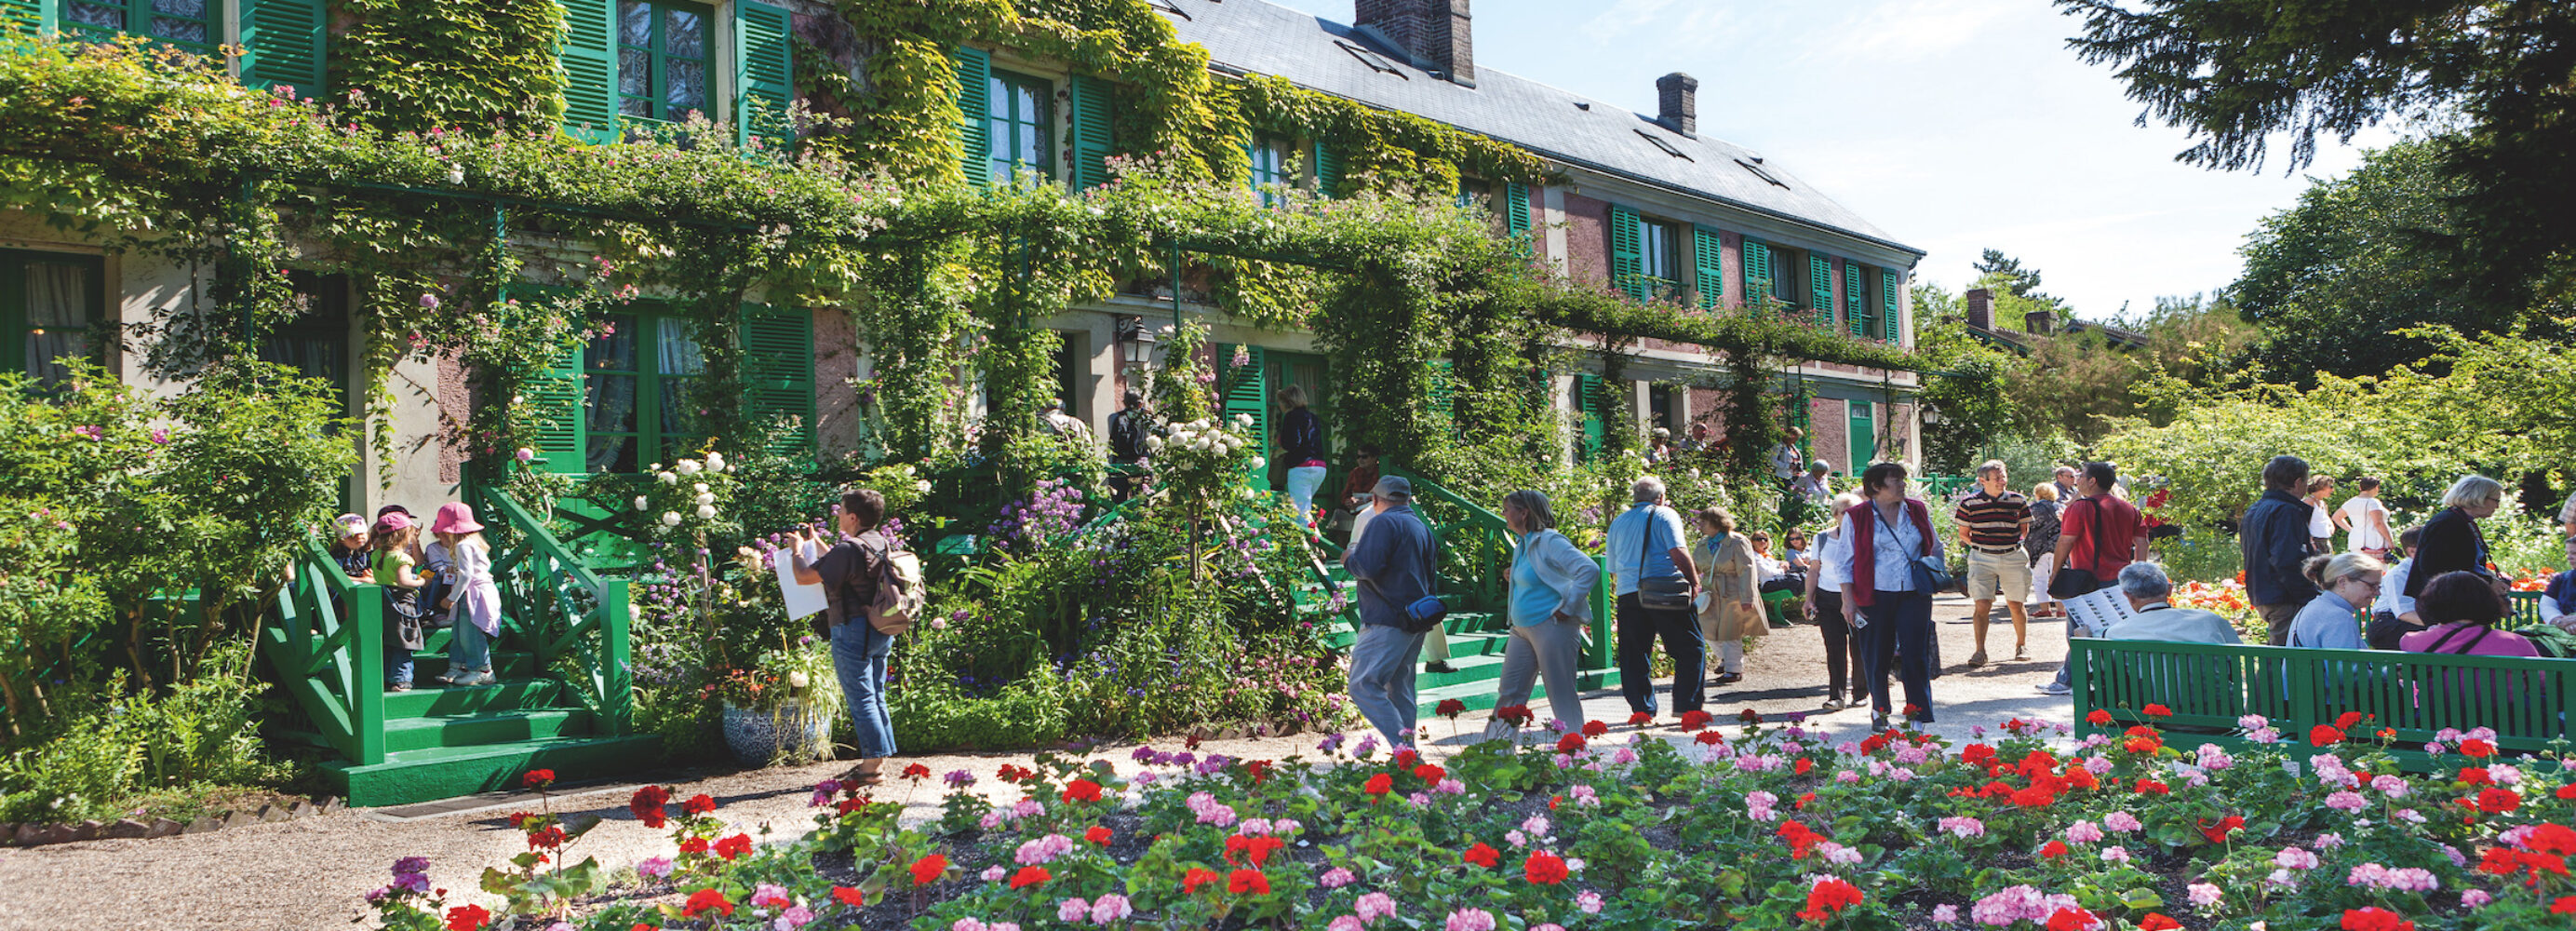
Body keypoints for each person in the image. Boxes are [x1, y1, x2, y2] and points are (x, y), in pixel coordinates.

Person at [792, 489, 904, 783]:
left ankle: (870, 768)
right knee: (876, 695)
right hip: (880, 628)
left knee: (861, 698)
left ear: (852, 517)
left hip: (852, 629)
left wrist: (796, 551)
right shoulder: (879, 542)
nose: (837, 515)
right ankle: (877, 760)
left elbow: (804, 577)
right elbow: (850, 566)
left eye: (841, 511)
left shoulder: (848, 550)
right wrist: (818, 544)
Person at [1836, 462, 1947, 729]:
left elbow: (1935, 546)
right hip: (1874, 595)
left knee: (1916, 655)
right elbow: (1844, 562)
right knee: (1877, 654)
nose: (1902, 484)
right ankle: (1880, 712)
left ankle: (1917, 716)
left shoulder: (1916, 510)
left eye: (1902, 479)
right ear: (1876, 486)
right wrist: (1848, 601)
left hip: (1914, 593)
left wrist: (1932, 573)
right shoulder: (1857, 516)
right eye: (1895, 480)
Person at [1485, 490, 1601, 739]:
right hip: (1522, 628)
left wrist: (1568, 607)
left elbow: (1589, 569)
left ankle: (1575, 754)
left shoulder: (1549, 540)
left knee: (1560, 693)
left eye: (1507, 509)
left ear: (1524, 513)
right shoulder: (1523, 544)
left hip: (1552, 627)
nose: (1504, 514)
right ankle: (1494, 754)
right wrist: (1513, 574)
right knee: (1510, 692)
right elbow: (1540, 574)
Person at [1341, 476, 1437, 746]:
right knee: (1401, 689)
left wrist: (1350, 559)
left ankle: (1404, 752)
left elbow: (1366, 567)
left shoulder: (1381, 521)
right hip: (1416, 618)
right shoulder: (1420, 526)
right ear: (1407, 499)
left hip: (1386, 619)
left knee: (1362, 685)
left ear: (1374, 500)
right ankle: (1407, 759)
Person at [2040, 462, 2147, 696]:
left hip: (2086, 581)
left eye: (2081, 477)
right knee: (2116, 632)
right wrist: (2138, 572)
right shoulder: (2129, 509)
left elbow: (2066, 541)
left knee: (2078, 633)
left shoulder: (2080, 508)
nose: (2077, 481)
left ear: (2092, 481)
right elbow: (2141, 543)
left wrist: (2055, 573)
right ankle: (2111, 681)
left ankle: (2069, 681)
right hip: (2121, 580)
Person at [1608, 477, 1704, 719]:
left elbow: (1612, 566)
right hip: (1665, 589)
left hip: (1629, 593)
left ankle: (1642, 711)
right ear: (1660, 497)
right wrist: (1693, 581)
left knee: (1634, 654)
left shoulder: (1618, 522)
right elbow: (1677, 551)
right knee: (1690, 648)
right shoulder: (1664, 514)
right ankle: (1686, 707)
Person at [2404, 571, 2545, 708]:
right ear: (2488, 602)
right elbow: (2542, 684)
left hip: (2436, 726)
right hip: (2507, 726)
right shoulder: (2516, 644)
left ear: (2431, 603)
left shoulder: (2411, 641)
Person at [1953, 460, 2033, 666]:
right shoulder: (1969, 503)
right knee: (1981, 604)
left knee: (2016, 604)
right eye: (1997, 478)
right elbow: (1964, 534)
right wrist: (1985, 546)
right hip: (1982, 558)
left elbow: (2024, 530)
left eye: (2004, 476)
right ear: (1983, 481)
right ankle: (1980, 651)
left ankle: (2021, 645)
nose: (2002, 481)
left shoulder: (2018, 500)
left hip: (2013, 555)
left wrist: (2006, 545)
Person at [2242, 455, 2321, 647]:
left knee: (2280, 654)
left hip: (2264, 591)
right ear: (2297, 482)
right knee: (2285, 658)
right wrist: (2309, 595)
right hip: (2286, 596)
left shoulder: (2255, 509)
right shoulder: (2287, 511)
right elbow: (2287, 559)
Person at [428, 503, 502, 689]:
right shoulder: (473, 543)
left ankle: (482, 670)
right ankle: (459, 666)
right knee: (460, 632)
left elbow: (467, 575)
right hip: (472, 592)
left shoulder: (462, 546)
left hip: (473, 594)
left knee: (470, 632)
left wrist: (451, 598)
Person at [1805, 492, 1868, 710]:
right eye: (1845, 512)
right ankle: (1836, 696)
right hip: (1828, 599)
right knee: (1834, 648)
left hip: (1858, 599)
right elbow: (1814, 570)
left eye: (1855, 512)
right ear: (1835, 515)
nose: (1850, 516)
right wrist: (1808, 599)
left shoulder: (1865, 537)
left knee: (1860, 646)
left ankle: (1860, 692)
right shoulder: (1822, 538)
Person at [2408, 475, 2512, 602]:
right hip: (2445, 600)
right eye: (2496, 501)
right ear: (2479, 498)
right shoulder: (2447, 523)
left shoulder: (2460, 520)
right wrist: (2487, 581)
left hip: (2455, 597)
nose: (2497, 507)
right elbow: (2434, 566)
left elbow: (2464, 563)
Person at [1693, 507, 1764, 689]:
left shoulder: (1737, 542)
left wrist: (1747, 597)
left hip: (1732, 591)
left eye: (1704, 522)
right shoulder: (1703, 543)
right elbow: (1695, 567)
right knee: (1705, 628)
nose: (1700, 525)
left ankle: (1734, 669)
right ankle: (1726, 658)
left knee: (1730, 630)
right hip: (1710, 593)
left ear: (1716, 522)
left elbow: (1747, 570)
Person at [2101, 562, 2243, 644]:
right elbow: (2235, 653)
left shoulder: (2116, 634)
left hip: (2150, 696)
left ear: (2129, 597)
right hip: (2212, 696)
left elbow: (2102, 671)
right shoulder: (2211, 621)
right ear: (2169, 590)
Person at [369, 512, 427, 693]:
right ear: (404, 535)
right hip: (401, 602)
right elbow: (404, 581)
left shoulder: (377, 554)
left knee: (388, 640)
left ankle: (387, 676)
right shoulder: (402, 558)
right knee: (405, 639)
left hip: (383, 600)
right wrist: (421, 581)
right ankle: (402, 680)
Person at [2285, 552, 2384, 651]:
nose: (2378, 593)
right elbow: (2347, 666)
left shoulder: (2312, 607)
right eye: (2372, 586)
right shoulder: (2339, 616)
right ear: (2342, 582)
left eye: (2378, 587)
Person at [2368, 526, 2429, 650]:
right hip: (2389, 625)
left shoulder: (2429, 569)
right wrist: (2443, 626)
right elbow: (2404, 613)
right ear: (2413, 551)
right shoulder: (2399, 574)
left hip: (2412, 621)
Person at [1278, 385, 1328, 527]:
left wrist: (1281, 447)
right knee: (1305, 510)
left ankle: (1311, 546)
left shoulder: (1291, 416)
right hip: (1319, 467)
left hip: (1302, 468)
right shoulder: (1313, 417)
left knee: (1301, 514)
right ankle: (1314, 542)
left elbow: (1292, 442)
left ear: (1287, 402)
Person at [2024, 482, 2064, 620]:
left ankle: (2045, 609)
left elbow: (2027, 526)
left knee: (2040, 578)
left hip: (2038, 546)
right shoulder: (2059, 507)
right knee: (2058, 576)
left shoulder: (2033, 508)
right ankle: (2061, 609)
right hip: (2058, 546)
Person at [1106, 389, 1151, 502]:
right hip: (1140, 464)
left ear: (1124, 402)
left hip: (1118, 464)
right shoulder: (1146, 420)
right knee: (1140, 500)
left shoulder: (1113, 418)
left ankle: (1117, 519)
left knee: (1118, 501)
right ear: (1140, 403)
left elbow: (1111, 433)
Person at [2336, 477, 2394, 558]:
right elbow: (2378, 523)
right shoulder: (2373, 502)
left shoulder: (2351, 502)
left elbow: (2336, 517)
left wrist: (2351, 530)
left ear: (2360, 487)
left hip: (2356, 541)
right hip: (2374, 542)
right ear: (2376, 488)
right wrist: (2390, 540)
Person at [1337, 445, 1384, 537]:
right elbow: (1345, 494)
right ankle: (1343, 549)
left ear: (1374, 458)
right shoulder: (1354, 473)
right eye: (1358, 457)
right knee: (1339, 514)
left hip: (1373, 507)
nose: (1360, 460)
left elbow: (1383, 495)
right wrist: (1348, 501)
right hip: (1354, 508)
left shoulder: (1382, 472)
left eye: (1364, 457)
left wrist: (1366, 501)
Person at [2303, 475, 2337, 553]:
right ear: (2322, 486)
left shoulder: (2323, 503)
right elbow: (2303, 524)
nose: (2332, 490)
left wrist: (2331, 525)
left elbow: (2326, 519)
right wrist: (2311, 542)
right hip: (2315, 541)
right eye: (2330, 487)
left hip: (2325, 540)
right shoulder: (2309, 502)